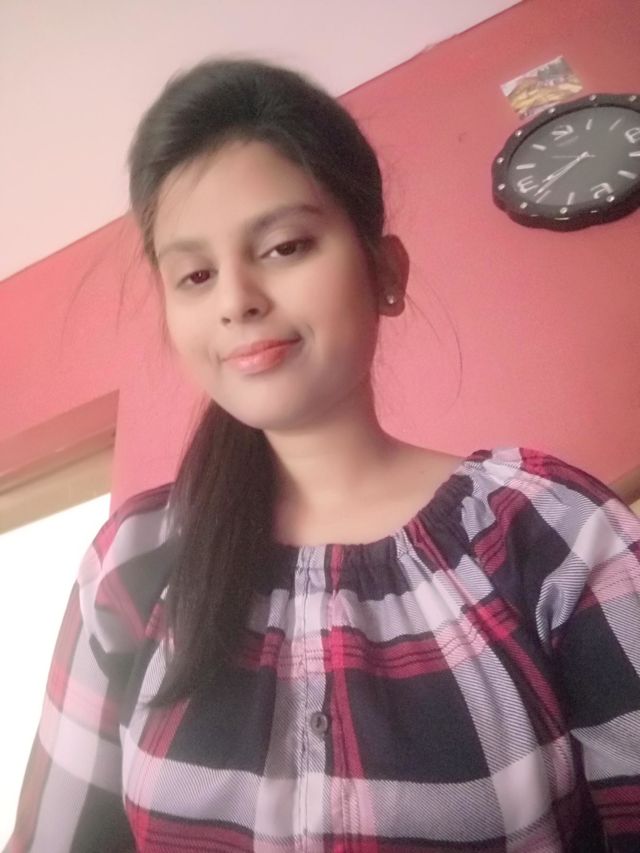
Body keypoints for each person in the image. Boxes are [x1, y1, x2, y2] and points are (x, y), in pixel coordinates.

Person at [5, 58, 640, 853]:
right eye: (195, 274)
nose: (236, 299)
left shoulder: (556, 534)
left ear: (386, 272)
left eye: (284, 246)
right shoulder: (133, 559)